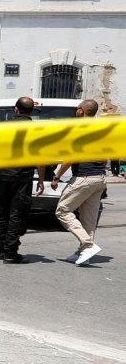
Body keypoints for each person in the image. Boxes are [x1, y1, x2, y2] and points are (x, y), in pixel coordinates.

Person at [52, 99, 107, 266]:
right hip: (99, 178)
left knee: (62, 210)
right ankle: (84, 254)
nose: (76, 111)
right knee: (88, 219)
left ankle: (88, 245)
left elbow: (71, 156)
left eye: (77, 108)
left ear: (82, 111)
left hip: (84, 177)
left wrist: (57, 176)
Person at [0, 97, 45, 264]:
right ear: (31, 111)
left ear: (16, 110)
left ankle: (1, 250)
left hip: (3, 175)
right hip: (22, 177)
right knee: (17, 213)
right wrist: (41, 180)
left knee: (2, 212)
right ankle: (10, 252)